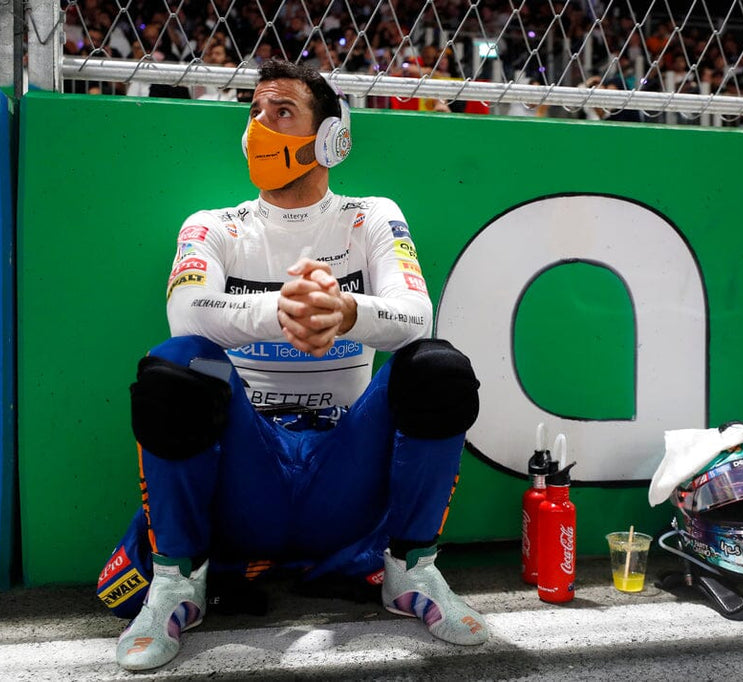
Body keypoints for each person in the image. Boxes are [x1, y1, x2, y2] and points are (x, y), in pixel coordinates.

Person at [99, 58, 489, 671]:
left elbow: (417, 317)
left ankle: (412, 573)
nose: (260, 126)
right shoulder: (213, 225)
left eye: (281, 112)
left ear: (331, 137)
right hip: (249, 470)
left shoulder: (371, 216)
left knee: (436, 368)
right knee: (175, 367)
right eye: (254, 112)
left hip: (345, 469)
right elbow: (185, 314)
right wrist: (283, 312)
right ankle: (177, 584)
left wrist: (344, 311)